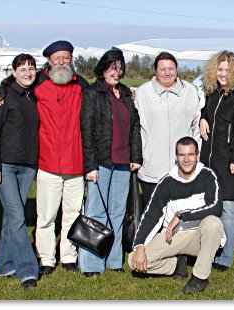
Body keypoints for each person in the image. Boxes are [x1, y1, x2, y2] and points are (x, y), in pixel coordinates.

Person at [0, 40, 90, 274]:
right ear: (49, 62)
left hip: (75, 162)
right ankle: (46, 258)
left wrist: (128, 92)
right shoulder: (39, 84)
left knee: (73, 214)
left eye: (66, 58)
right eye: (57, 59)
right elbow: (12, 87)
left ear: (72, 60)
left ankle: (68, 255)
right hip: (48, 162)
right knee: (46, 215)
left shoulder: (81, 86)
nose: (62, 62)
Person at [129, 136, 225, 293]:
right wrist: (139, 245)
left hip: (198, 236)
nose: (186, 160)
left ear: (198, 155)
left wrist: (181, 216)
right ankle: (176, 265)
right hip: (172, 237)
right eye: (181, 155)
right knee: (133, 260)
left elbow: (216, 207)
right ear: (176, 156)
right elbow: (151, 216)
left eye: (190, 155)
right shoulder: (167, 182)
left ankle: (199, 277)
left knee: (213, 223)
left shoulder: (208, 176)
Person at [78, 49, 142, 277]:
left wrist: (136, 157)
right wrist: (90, 166)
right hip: (101, 162)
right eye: (112, 67)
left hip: (123, 162)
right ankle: (91, 263)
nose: (117, 72)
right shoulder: (92, 93)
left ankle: (114, 260)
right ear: (103, 69)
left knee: (117, 212)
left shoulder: (125, 94)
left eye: (120, 67)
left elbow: (134, 127)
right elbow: (86, 131)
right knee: (97, 212)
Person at [0, 53, 39, 289]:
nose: (27, 72)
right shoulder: (3, 95)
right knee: (18, 216)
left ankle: (3, 265)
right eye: (22, 69)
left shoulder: (33, 95)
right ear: (13, 72)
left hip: (27, 166)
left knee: (11, 217)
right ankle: (28, 270)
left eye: (31, 68)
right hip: (5, 166)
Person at [199, 50, 234, 272]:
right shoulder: (213, 91)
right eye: (219, 69)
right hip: (209, 157)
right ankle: (212, 248)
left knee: (228, 208)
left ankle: (227, 255)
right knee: (211, 206)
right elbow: (206, 110)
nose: (223, 74)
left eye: (227, 70)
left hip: (229, 159)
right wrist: (202, 117)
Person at [134, 52, 201, 206]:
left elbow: (196, 125)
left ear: (176, 70)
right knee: (153, 214)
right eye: (162, 69)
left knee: (181, 213)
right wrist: (140, 155)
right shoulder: (143, 92)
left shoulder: (189, 91)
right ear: (155, 71)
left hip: (183, 166)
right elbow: (136, 127)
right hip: (152, 167)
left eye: (171, 69)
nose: (167, 73)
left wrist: (195, 156)